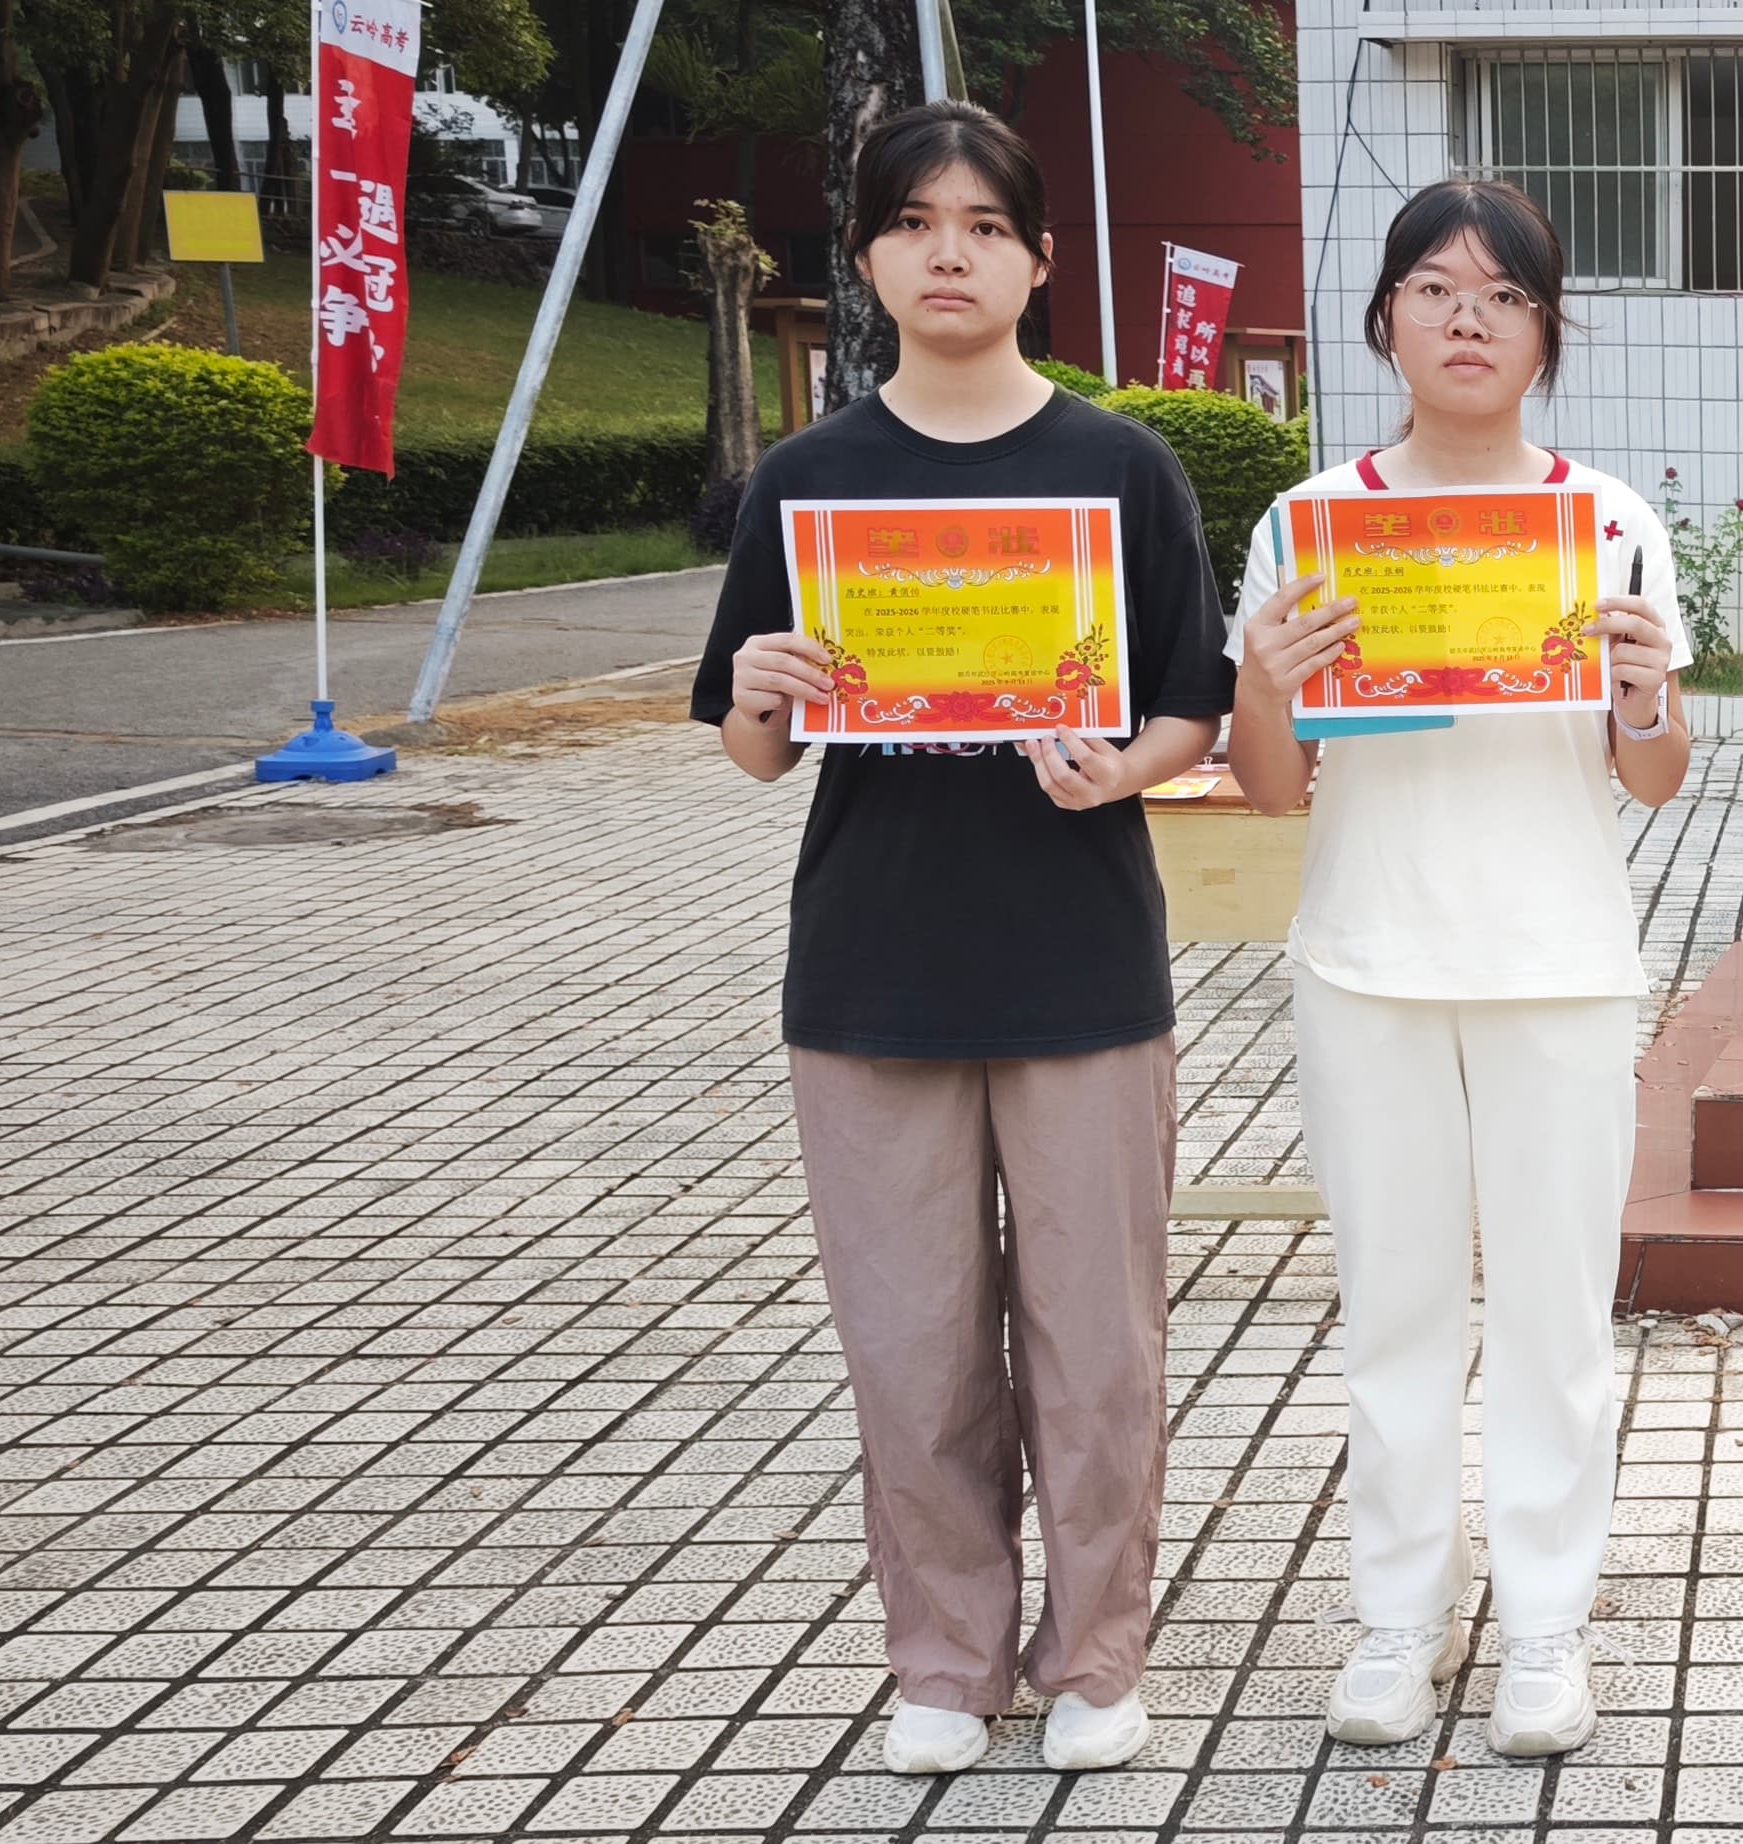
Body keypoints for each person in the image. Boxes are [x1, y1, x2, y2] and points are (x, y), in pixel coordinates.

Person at [689, 100, 1231, 1776]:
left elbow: (1193, 704)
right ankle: (942, 1660)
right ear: (865, 258)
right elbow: (756, 746)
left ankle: (1096, 1658)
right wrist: (762, 696)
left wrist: (1119, 768)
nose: (951, 253)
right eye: (915, 223)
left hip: (1081, 966)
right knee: (911, 1343)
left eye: (986, 226)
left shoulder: (1121, 469)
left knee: (1097, 1343)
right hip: (875, 972)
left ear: (1039, 260)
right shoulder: (809, 482)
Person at [1221, 178, 1690, 1759]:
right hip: (1371, 961)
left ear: (1548, 333)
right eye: (1434, 289)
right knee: (1396, 1314)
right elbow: (1271, 789)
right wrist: (1267, 682)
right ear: (1385, 322)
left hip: (1560, 965)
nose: (1468, 319)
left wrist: (1643, 692)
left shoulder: (1607, 523)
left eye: (1504, 295)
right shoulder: (1311, 527)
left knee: (1558, 1320)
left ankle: (1546, 1625)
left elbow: (1654, 776)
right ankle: (1396, 1620)